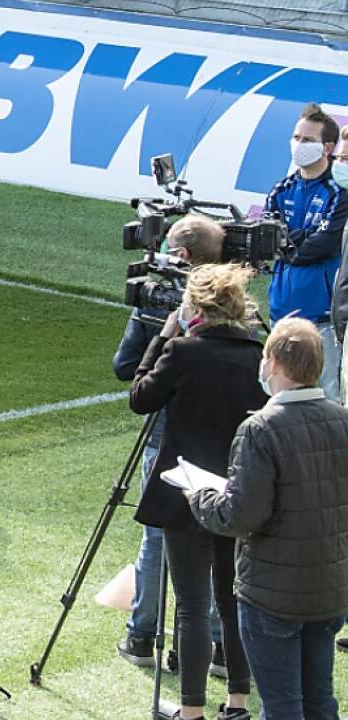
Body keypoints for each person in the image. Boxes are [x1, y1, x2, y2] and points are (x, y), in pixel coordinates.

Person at [187, 317, 348, 720]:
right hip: (329, 588)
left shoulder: (260, 429)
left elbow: (241, 516)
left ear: (273, 363)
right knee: (319, 701)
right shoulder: (342, 420)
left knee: (281, 707)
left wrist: (199, 496)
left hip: (273, 595)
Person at [130, 263, 267, 720]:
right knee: (233, 602)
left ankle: (190, 711)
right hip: (238, 489)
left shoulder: (184, 351)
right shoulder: (258, 354)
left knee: (192, 605)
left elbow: (141, 398)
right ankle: (238, 703)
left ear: (197, 306)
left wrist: (161, 340)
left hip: (186, 488)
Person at [113, 216, 226, 672]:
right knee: (220, 537)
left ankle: (142, 637)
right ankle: (218, 645)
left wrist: (164, 333)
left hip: (167, 432)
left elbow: (126, 371)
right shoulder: (239, 316)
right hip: (222, 439)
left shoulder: (153, 307)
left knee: (157, 536)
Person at [265, 102, 345, 402]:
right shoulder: (280, 190)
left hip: (320, 317)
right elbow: (266, 241)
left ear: (327, 148)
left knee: (328, 398)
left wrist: (289, 242)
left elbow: (323, 245)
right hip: (281, 313)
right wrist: (300, 240)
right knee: (274, 396)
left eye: (307, 140)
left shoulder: (338, 193)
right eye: (296, 138)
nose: (299, 145)